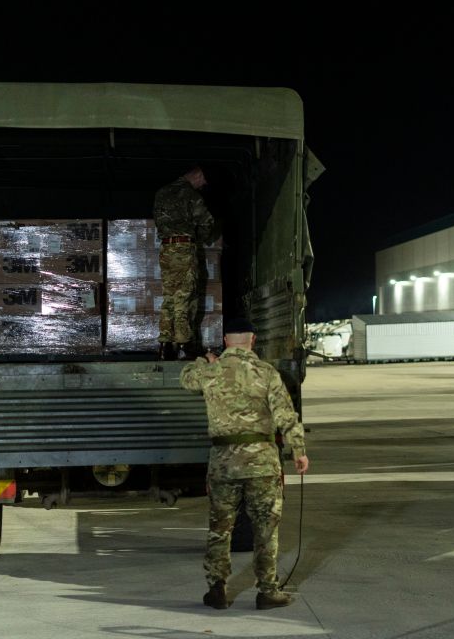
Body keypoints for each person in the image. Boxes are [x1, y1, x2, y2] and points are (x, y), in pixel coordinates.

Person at [179, 317, 309, 610]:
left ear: (226, 341)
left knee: (220, 527)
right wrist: (299, 451)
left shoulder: (211, 372)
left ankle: (216, 589)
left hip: (223, 463)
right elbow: (286, 416)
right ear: (253, 340)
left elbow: (185, 377)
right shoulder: (266, 372)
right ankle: (267, 591)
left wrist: (204, 361)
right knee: (265, 528)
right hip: (262, 462)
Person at [152, 166, 215, 360]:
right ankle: (185, 343)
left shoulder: (161, 192)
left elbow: (158, 220)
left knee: (169, 296)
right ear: (198, 175)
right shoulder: (190, 194)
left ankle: (165, 345)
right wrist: (206, 237)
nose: (201, 187)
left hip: (166, 249)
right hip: (183, 248)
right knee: (184, 295)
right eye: (202, 183)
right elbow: (206, 222)